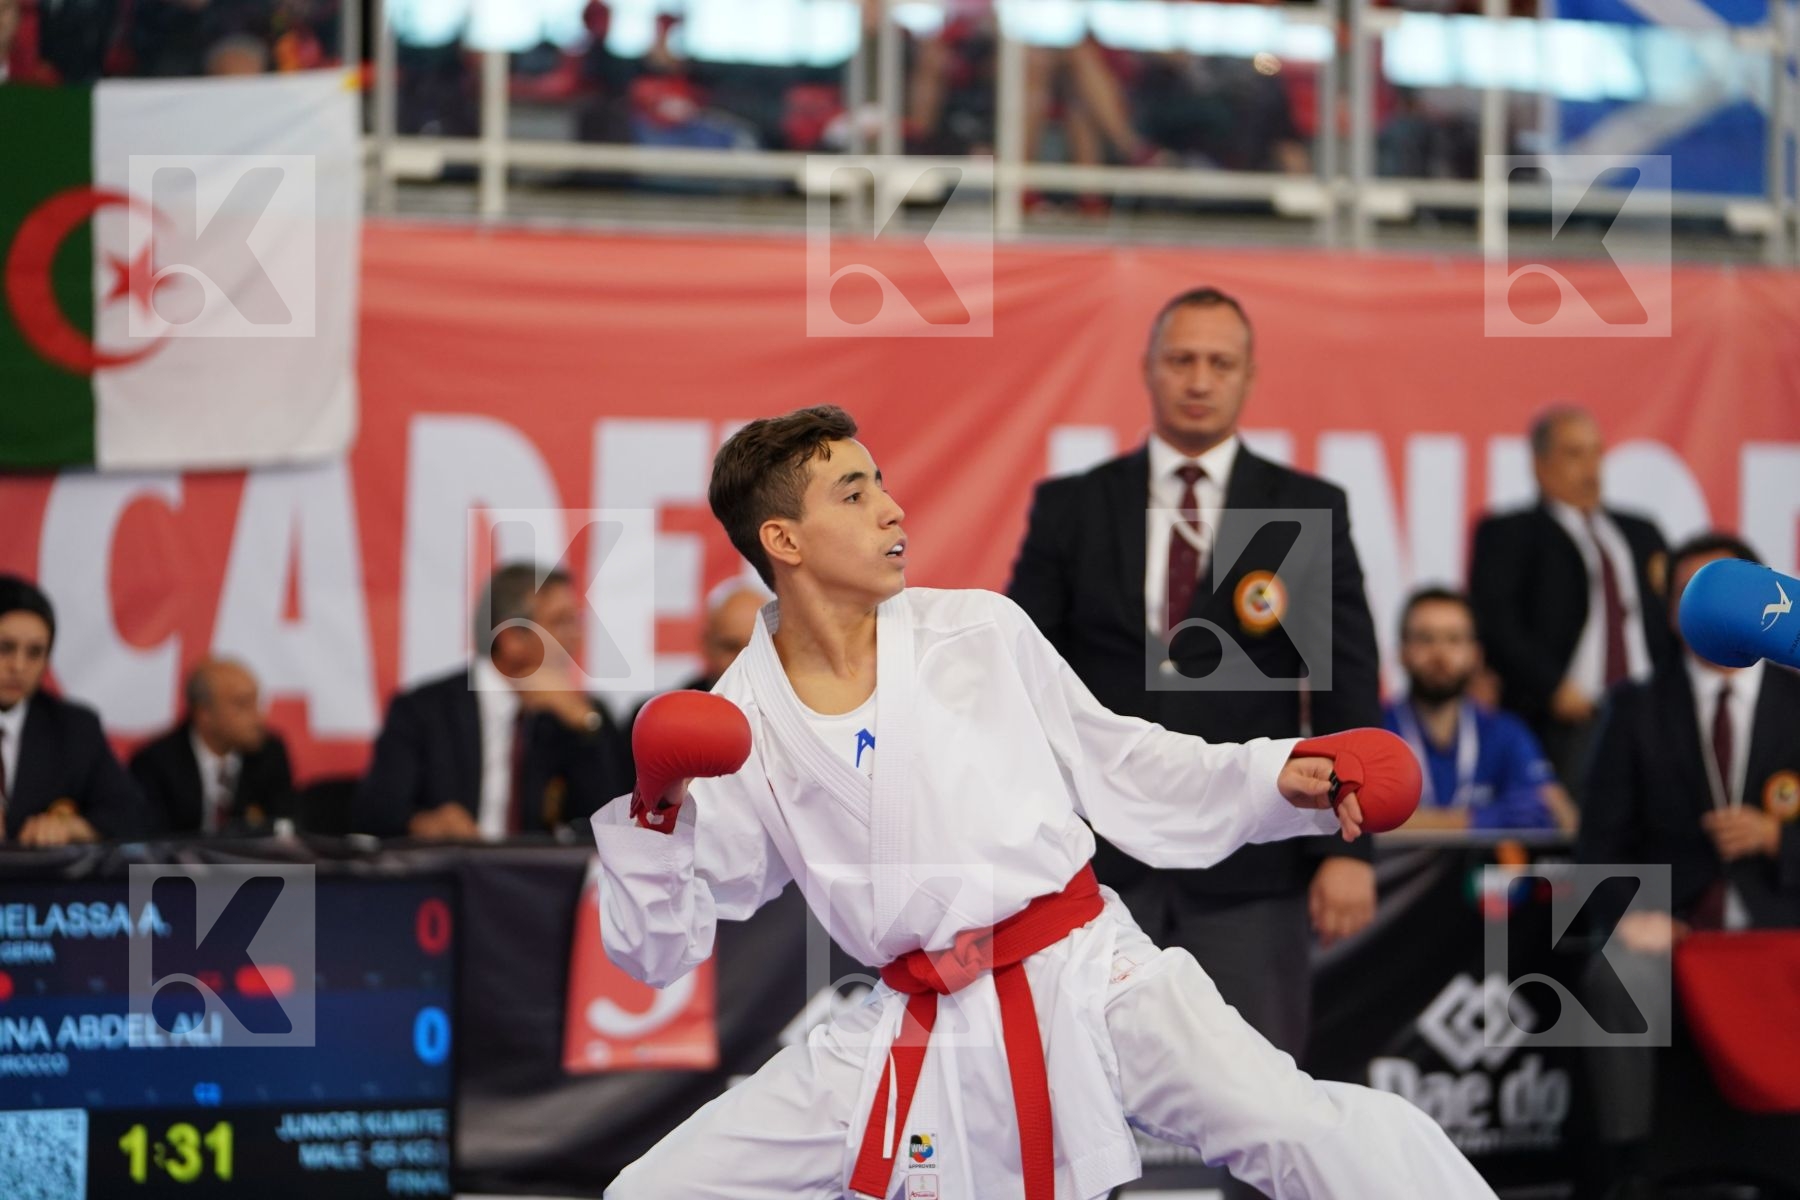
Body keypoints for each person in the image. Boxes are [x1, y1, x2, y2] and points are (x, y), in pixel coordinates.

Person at [592, 405, 1495, 1200]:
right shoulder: (740, 719)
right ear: (783, 541)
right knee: (658, 1189)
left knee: (1300, 1130)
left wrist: (1274, 774)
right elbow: (659, 953)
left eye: (883, 485)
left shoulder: (977, 631)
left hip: (1091, 972)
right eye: (854, 494)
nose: (892, 509)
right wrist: (657, 810)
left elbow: (1122, 763)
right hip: (920, 1019)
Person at [1006, 286, 1381, 1197]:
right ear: (1148, 370)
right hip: (1092, 865)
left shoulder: (1300, 506)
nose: (1199, 380)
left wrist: (1350, 845)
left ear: (1250, 377)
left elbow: (1342, 682)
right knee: (1067, 1106)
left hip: (1249, 869)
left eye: (1220, 362)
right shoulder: (1074, 506)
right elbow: (1012, 676)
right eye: (1182, 359)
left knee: (1266, 1109)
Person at [1576, 532, 1800, 1199]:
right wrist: (1640, 915)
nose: (1710, 612)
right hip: (1678, 928)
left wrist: (1776, 840)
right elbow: (1597, 847)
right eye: (1689, 594)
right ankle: (1628, 1170)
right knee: (1613, 969)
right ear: (1672, 611)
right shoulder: (1635, 707)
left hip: (1784, 921)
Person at [1469, 407, 1672, 802]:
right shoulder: (1510, 533)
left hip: (1652, 715)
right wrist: (1553, 687)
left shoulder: (1641, 531)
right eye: (1574, 454)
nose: (1591, 467)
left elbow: (1670, 614)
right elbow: (1496, 621)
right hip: (1568, 718)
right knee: (1574, 836)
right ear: (1540, 464)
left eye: (1597, 453)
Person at [356, 562, 631, 840]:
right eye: (560, 622)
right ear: (512, 638)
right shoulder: (424, 711)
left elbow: (615, 827)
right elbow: (375, 812)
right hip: (448, 874)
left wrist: (584, 723)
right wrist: (424, 823)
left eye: (577, 621)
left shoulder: (580, 715)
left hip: (538, 880)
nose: (576, 637)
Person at [1383, 587, 1573, 833]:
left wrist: (1418, 823)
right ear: (1402, 652)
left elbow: (1555, 812)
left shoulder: (1507, 731)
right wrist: (1483, 819)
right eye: (1425, 639)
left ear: (1476, 654)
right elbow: (1354, 822)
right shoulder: (1374, 727)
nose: (1439, 654)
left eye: (1454, 639)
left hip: (1486, 870)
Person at [0, 574, 144, 845]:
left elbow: (132, 814)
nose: (18, 666)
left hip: (35, 886)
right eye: (5, 648)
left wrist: (75, 828)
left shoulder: (74, 728)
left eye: (34, 653)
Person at [130, 658, 295, 836]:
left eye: (257, 703)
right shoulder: (155, 764)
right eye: (242, 704)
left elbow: (284, 828)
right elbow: (151, 846)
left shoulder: (269, 752)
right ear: (204, 714)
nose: (259, 718)